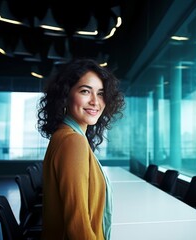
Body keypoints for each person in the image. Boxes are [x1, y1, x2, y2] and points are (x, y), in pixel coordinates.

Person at [37, 58, 125, 240]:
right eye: (85, 91)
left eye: (101, 93)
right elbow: (78, 226)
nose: (95, 101)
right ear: (65, 95)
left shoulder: (63, 134)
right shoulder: (72, 142)